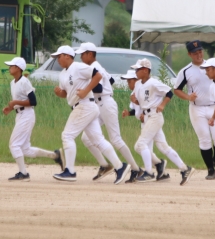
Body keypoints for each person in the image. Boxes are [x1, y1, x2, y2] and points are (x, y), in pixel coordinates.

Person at [51, 45, 130, 184]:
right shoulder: (62, 74)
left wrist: (86, 90)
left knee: (67, 135)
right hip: (84, 107)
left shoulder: (78, 67)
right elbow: (66, 93)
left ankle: (70, 171)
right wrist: (59, 93)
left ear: (67, 56)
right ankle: (120, 166)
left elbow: (98, 75)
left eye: (59, 56)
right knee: (98, 140)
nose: (57, 59)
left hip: (85, 105)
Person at [76, 42, 142, 183]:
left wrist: (84, 88)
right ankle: (105, 165)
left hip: (105, 103)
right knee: (86, 138)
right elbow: (110, 80)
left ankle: (136, 169)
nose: (81, 57)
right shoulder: (97, 67)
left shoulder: (94, 67)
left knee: (115, 139)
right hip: (98, 105)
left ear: (90, 54)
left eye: (82, 54)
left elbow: (99, 88)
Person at [132, 58, 195, 185]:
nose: (136, 72)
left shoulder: (154, 83)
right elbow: (139, 98)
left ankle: (149, 173)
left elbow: (169, 93)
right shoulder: (138, 84)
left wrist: (162, 105)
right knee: (162, 146)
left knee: (140, 144)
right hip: (147, 116)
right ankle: (185, 168)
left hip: (155, 116)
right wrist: (135, 100)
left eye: (138, 69)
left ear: (145, 70)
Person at [2, 56, 64, 181]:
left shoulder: (24, 82)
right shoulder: (13, 83)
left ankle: (23, 173)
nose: (9, 68)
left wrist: (15, 102)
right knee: (25, 149)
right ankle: (55, 155)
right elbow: (20, 101)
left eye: (12, 66)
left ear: (18, 68)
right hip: (20, 115)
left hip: (27, 115)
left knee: (14, 145)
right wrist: (11, 108)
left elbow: (33, 101)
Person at [173, 41, 215, 180]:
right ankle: (210, 169)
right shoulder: (186, 71)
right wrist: (188, 97)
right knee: (205, 139)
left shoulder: (212, 65)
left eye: (200, 51)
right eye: (195, 53)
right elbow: (176, 90)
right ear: (189, 54)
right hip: (197, 108)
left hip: (214, 107)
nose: (198, 55)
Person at [121, 69, 170, 182]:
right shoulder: (134, 94)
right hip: (146, 123)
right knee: (145, 149)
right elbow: (137, 110)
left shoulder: (143, 89)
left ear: (137, 80)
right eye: (127, 81)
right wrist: (129, 113)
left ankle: (149, 172)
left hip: (150, 121)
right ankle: (159, 167)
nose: (128, 84)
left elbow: (147, 106)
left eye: (130, 81)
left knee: (143, 147)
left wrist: (145, 114)